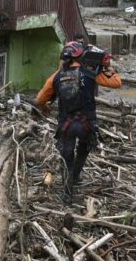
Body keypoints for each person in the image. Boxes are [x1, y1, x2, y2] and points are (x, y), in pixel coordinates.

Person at [36, 42, 122, 203]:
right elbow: (116, 82)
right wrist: (108, 67)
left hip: (66, 126)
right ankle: (76, 175)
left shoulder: (57, 76)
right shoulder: (90, 73)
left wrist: (44, 107)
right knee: (83, 149)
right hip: (86, 125)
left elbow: (40, 99)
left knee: (66, 156)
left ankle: (67, 195)